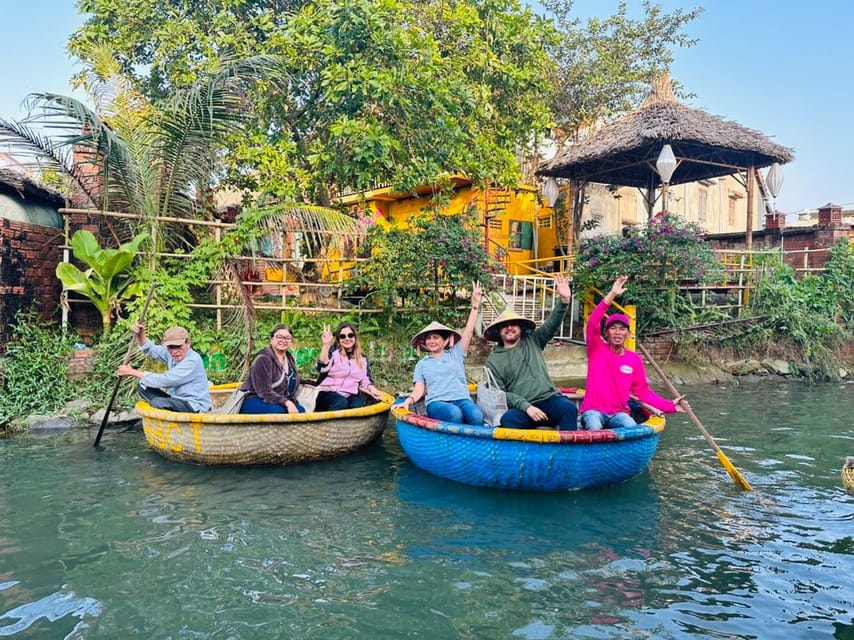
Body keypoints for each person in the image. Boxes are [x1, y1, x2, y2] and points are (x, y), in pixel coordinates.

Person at [580, 275, 686, 429]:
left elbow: (643, 393)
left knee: (631, 427)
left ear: (628, 334)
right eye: (613, 328)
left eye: (622, 329)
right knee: (594, 428)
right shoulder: (596, 349)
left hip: (620, 414)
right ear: (606, 333)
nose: (618, 333)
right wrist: (612, 294)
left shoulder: (633, 359)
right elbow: (593, 321)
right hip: (594, 412)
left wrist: (670, 406)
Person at [484, 274, 578, 430]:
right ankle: (530, 451)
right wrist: (527, 407)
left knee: (569, 409)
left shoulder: (534, 340)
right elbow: (500, 394)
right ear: (498, 331)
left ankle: (567, 453)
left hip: (549, 399)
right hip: (524, 407)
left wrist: (564, 301)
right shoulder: (493, 360)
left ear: (520, 328)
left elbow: (552, 323)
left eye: (513, 324)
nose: (509, 328)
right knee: (508, 420)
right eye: (504, 326)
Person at [401, 282, 484, 425]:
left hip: (461, 399)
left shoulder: (455, 353)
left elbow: (469, 331)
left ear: (446, 341)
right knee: (454, 413)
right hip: (437, 402)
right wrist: (408, 401)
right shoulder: (422, 363)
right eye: (428, 338)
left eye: (435, 337)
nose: (431, 341)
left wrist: (475, 305)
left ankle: (474, 444)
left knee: (477, 415)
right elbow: (419, 390)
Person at [117, 324, 211, 413]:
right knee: (143, 386)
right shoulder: (170, 353)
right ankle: (163, 407)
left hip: (193, 405)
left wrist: (132, 372)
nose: (174, 351)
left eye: (178, 347)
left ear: (188, 344)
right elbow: (150, 349)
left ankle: (162, 408)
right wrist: (140, 334)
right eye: (171, 347)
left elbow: (167, 380)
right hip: (176, 399)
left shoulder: (192, 360)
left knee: (158, 403)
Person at [315, 322, 384, 411]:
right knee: (340, 402)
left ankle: (352, 425)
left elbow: (365, 379)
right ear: (339, 339)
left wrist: (372, 389)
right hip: (327, 391)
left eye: (350, 335)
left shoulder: (362, 358)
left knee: (358, 406)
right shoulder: (333, 352)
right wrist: (326, 345)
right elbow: (322, 367)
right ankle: (328, 424)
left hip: (349, 393)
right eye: (343, 336)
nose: (347, 339)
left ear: (355, 337)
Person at [239, 324, 305, 414]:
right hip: (255, 398)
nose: (283, 340)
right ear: (271, 340)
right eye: (279, 337)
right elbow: (264, 392)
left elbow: (294, 380)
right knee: (280, 411)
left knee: (301, 410)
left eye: (287, 338)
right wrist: (287, 402)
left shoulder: (289, 359)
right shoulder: (263, 359)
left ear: (291, 341)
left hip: (276, 400)